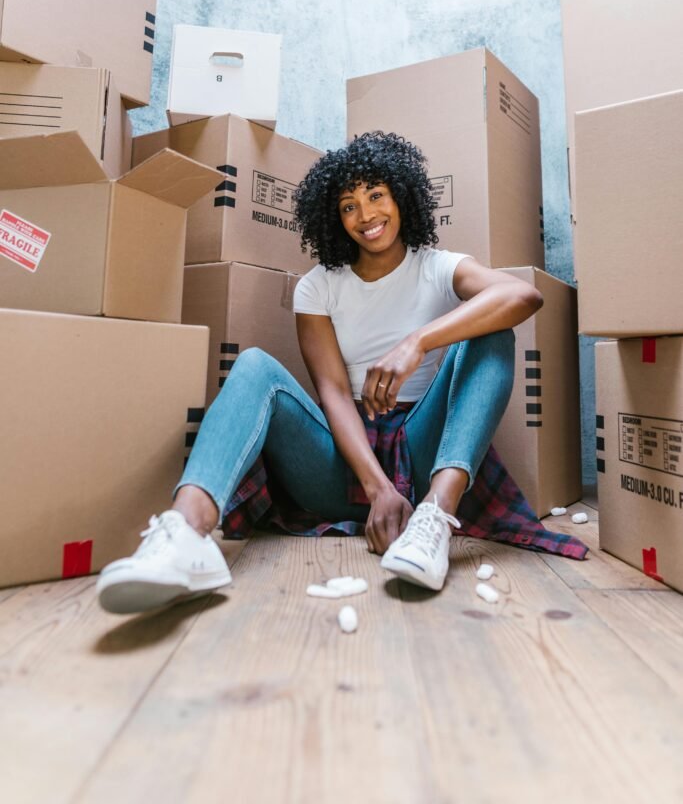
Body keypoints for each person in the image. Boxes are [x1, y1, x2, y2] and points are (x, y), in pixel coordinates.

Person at [97, 131, 545, 614]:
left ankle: (434, 519)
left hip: (425, 450)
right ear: (333, 217)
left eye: (376, 195)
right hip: (343, 466)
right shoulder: (318, 288)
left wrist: (416, 343)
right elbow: (331, 392)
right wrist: (377, 488)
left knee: (494, 327)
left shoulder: (438, 267)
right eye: (348, 205)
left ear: (401, 194)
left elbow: (522, 296)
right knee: (254, 367)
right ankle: (188, 533)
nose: (366, 215)